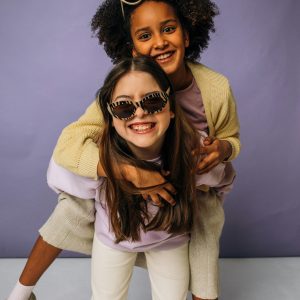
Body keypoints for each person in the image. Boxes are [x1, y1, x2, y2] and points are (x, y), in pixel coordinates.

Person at [7, 1, 240, 300]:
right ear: (132, 49)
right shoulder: (125, 86)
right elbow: (69, 143)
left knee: (205, 235)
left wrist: (222, 149)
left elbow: (231, 140)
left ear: (186, 33)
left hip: (187, 179)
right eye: (145, 36)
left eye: (168, 29)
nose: (159, 42)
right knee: (71, 209)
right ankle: (22, 292)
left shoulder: (216, 87)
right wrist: (124, 172)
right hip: (120, 178)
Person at [47, 56, 234, 300]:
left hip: (171, 242)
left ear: (172, 108)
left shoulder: (194, 152)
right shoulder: (99, 155)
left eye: (153, 101)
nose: (140, 113)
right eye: (124, 107)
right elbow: (61, 174)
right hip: (114, 241)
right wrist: (121, 171)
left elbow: (223, 179)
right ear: (111, 118)